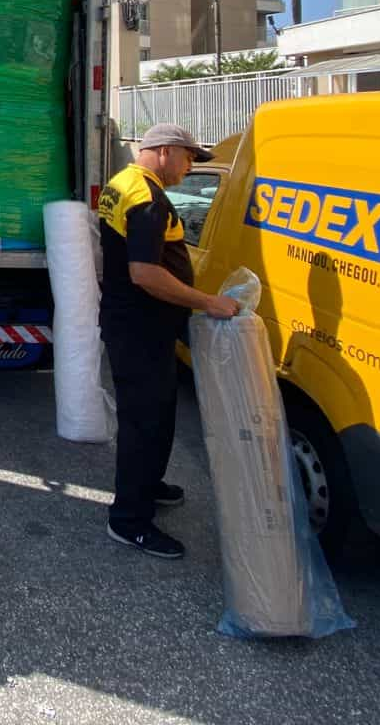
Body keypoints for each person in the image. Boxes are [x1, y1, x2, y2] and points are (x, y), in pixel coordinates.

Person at [97, 122, 240, 560]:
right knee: (145, 423)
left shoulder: (121, 184)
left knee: (157, 413)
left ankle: (150, 485)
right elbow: (145, 273)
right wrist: (206, 302)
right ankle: (129, 520)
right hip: (141, 329)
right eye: (187, 156)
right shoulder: (146, 198)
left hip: (137, 327)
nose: (190, 166)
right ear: (162, 151)